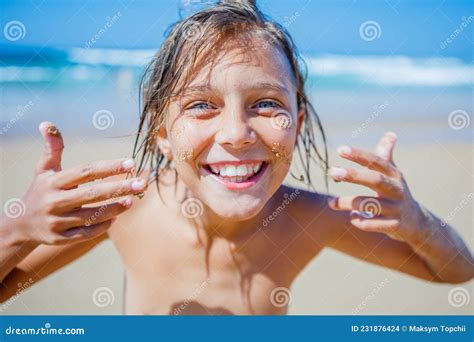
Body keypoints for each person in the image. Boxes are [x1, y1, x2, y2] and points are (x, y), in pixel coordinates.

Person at [1, 0, 472, 315]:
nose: (236, 134)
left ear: (299, 124)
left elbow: (455, 270)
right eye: (201, 105)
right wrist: (19, 227)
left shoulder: (307, 217)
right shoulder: (125, 210)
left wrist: (417, 223)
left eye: (266, 104)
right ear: (163, 134)